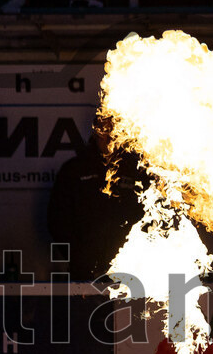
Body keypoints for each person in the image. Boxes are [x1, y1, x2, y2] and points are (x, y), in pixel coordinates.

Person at [47, 120, 145, 280]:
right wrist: (80, 257)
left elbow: (146, 214)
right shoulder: (74, 169)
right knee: (90, 305)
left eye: (114, 133)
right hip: (86, 271)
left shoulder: (135, 170)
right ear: (96, 133)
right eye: (104, 133)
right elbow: (57, 221)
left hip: (132, 267)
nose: (109, 138)